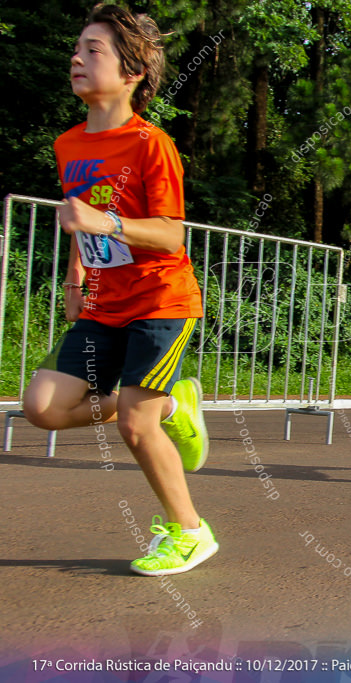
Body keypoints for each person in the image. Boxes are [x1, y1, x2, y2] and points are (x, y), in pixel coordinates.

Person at [22, 4, 216, 575]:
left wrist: (104, 223)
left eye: (93, 49)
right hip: (104, 303)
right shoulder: (69, 145)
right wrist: (76, 276)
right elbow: (80, 219)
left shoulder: (150, 144)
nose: (77, 58)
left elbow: (170, 234)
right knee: (44, 408)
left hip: (160, 300)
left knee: (134, 424)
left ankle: (190, 533)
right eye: (76, 48)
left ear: (132, 72)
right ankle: (172, 403)